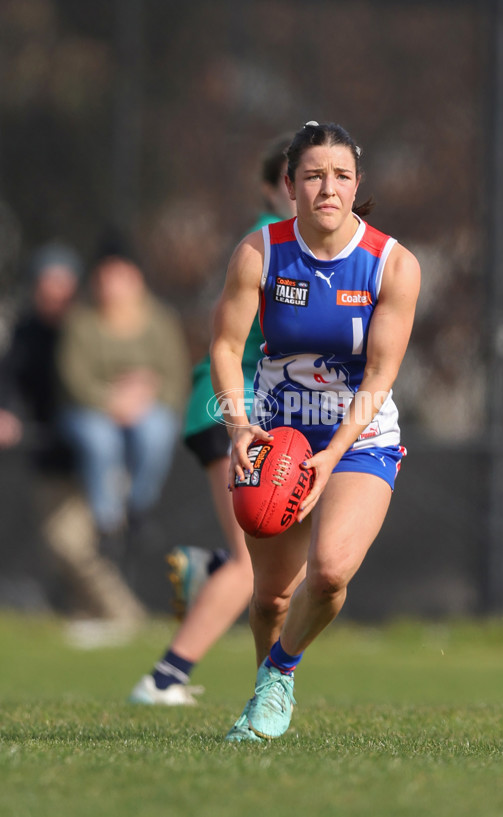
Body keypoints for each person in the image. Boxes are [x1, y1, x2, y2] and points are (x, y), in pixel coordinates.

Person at [209, 120, 420, 742]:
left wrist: (329, 458)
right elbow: (225, 346)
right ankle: (263, 698)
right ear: (290, 184)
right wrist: (238, 423)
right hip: (275, 438)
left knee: (329, 573)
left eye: (342, 176)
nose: (329, 188)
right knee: (273, 597)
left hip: (359, 439)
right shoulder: (260, 251)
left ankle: (279, 676)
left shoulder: (393, 264)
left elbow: (380, 376)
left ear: (357, 185)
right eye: (314, 176)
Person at [129, 134, 296, 705]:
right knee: (258, 566)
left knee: (273, 561)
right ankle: (163, 680)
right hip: (229, 409)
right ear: (275, 187)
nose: (311, 191)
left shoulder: (311, 247)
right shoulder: (265, 246)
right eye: (295, 179)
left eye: (330, 178)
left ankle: (211, 570)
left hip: (257, 411)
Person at [0, 242, 146, 624]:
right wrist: (9, 413)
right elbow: (11, 382)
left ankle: (124, 616)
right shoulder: (27, 334)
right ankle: (92, 615)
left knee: (76, 545)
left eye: (63, 289)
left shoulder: (91, 328)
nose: (56, 299)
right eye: (48, 289)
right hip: (52, 459)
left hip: (100, 459)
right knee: (64, 546)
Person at [57, 236, 190, 563]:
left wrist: (143, 395)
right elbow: (74, 379)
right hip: (91, 410)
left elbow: (175, 378)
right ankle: (107, 523)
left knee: (156, 431)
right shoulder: (81, 322)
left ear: (135, 278)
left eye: (119, 277)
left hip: (145, 408)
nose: (111, 286)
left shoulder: (160, 322)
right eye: (104, 278)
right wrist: (112, 400)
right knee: (100, 439)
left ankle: (138, 510)